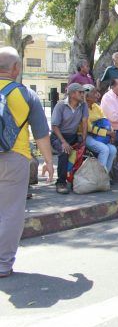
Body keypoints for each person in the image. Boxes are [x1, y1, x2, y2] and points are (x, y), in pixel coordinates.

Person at [0, 47, 54, 278]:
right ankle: (3, 264)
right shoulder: (26, 95)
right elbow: (41, 134)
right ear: (15, 69)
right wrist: (49, 162)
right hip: (15, 157)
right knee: (11, 212)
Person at [50, 82, 89, 194]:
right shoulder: (61, 105)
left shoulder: (83, 105)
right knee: (64, 151)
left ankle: (77, 180)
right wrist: (63, 142)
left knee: (85, 150)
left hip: (73, 135)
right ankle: (61, 182)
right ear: (72, 94)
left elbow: (85, 122)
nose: (83, 95)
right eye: (80, 92)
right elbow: (54, 126)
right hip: (58, 136)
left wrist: (84, 140)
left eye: (83, 92)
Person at [83, 84, 118, 173]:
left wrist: (111, 132)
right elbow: (89, 128)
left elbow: (105, 119)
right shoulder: (83, 109)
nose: (97, 95)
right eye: (94, 93)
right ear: (87, 97)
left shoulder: (95, 106)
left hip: (99, 136)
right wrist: (107, 133)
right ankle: (99, 177)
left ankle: (105, 176)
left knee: (113, 150)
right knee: (104, 149)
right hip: (86, 136)